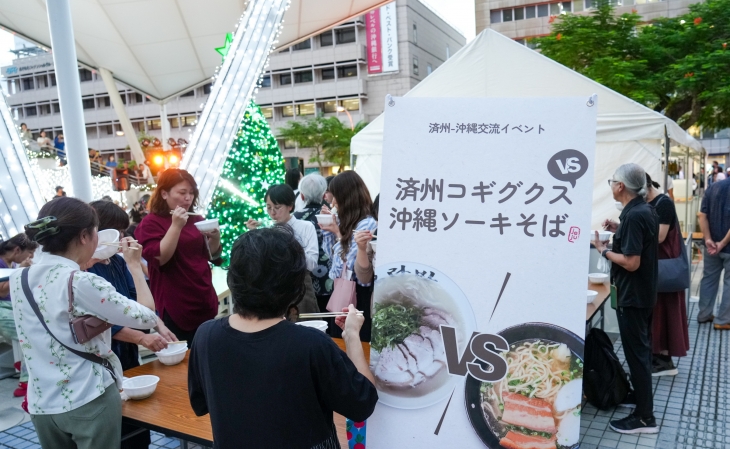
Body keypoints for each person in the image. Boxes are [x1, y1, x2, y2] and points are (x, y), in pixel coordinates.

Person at [188, 227, 378, 448]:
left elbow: (200, 404)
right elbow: (362, 403)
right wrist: (352, 335)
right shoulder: (310, 344)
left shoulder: (206, 335)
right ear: (294, 284)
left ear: (234, 278)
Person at [10, 197, 159, 449]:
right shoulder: (82, 282)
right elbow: (147, 315)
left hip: (42, 402)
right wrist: (134, 266)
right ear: (84, 236)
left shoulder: (19, 277)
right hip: (89, 398)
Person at [86, 200, 176, 449]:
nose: (123, 238)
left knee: (138, 425)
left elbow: (135, 303)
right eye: (118, 232)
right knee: (116, 427)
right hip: (103, 362)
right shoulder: (84, 274)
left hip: (127, 357)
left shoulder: (115, 262)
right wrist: (142, 336)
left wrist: (157, 324)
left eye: (124, 232)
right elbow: (103, 322)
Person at [592, 164, 658, 434]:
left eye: (612, 181)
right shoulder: (644, 210)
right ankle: (640, 400)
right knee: (639, 351)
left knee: (637, 354)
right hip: (643, 293)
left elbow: (631, 263)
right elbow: (640, 241)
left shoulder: (635, 215)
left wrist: (603, 251)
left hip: (633, 295)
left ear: (620, 186)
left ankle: (645, 418)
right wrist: (619, 228)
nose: (611, 185)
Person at [135, 168, 221, 343]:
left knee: (207, 349)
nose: (188, 198)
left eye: (191, 193)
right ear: (164, 193)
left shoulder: (196, 219)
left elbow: (209, 255)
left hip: (203, 294)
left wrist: (216, 238)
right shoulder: (151, 223)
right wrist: (176, 227)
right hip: (176, 302)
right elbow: (160, 258)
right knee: (183, 358)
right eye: (182, 192)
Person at [319, 171, 377, 341]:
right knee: (339, 340)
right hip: (341, 289)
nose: (333, 201)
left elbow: (350, 263)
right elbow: (332, 260)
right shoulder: (346, 219)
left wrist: (337, 233)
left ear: (348, 197)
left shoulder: (367, 223)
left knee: (355, 343)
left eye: (336, 196)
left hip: (357, 294)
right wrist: (329, 228)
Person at [246, 184, 319, 316]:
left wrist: (290, 242)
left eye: (277, 207)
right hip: (273, 290)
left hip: (300, 288)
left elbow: (312, 264)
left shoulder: (306, 227)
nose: (272, 212)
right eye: (269, 208)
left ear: (290, 206)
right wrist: (255, 235)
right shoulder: (267, 230)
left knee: (305, 327)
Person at [644, 174, 689, 376]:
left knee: (666, 312)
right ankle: (657, 356)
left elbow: (660, 237)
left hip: (665, 267)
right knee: (657, 313)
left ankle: (664, 360)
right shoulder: (649, 202)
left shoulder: (664, 204)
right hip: (657, 266)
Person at [0, 233, 37, 398]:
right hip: (3, 309)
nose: (30, 258)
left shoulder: (9, 263)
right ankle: (25, 381)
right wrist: (20, 270)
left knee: (29, 332)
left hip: (9, 308)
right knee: (29, 334)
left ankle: (27, 379)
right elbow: (2, 292)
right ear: (17, 250)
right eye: (29, 254)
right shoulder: (3, 264)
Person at [293, 174, 333, 312]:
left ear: (302, 196)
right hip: (330, 279)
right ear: (323, 195)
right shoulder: (331, 216)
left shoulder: (294, 219)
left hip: (304, 280)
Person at [697, 174, 730, 329]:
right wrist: (722, 243)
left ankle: (704, 314)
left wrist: (708, 239)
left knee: (709, 278)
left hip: (711, 245)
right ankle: (723, 320)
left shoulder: (713, 187)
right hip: (726, 246)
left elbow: (702, 216)